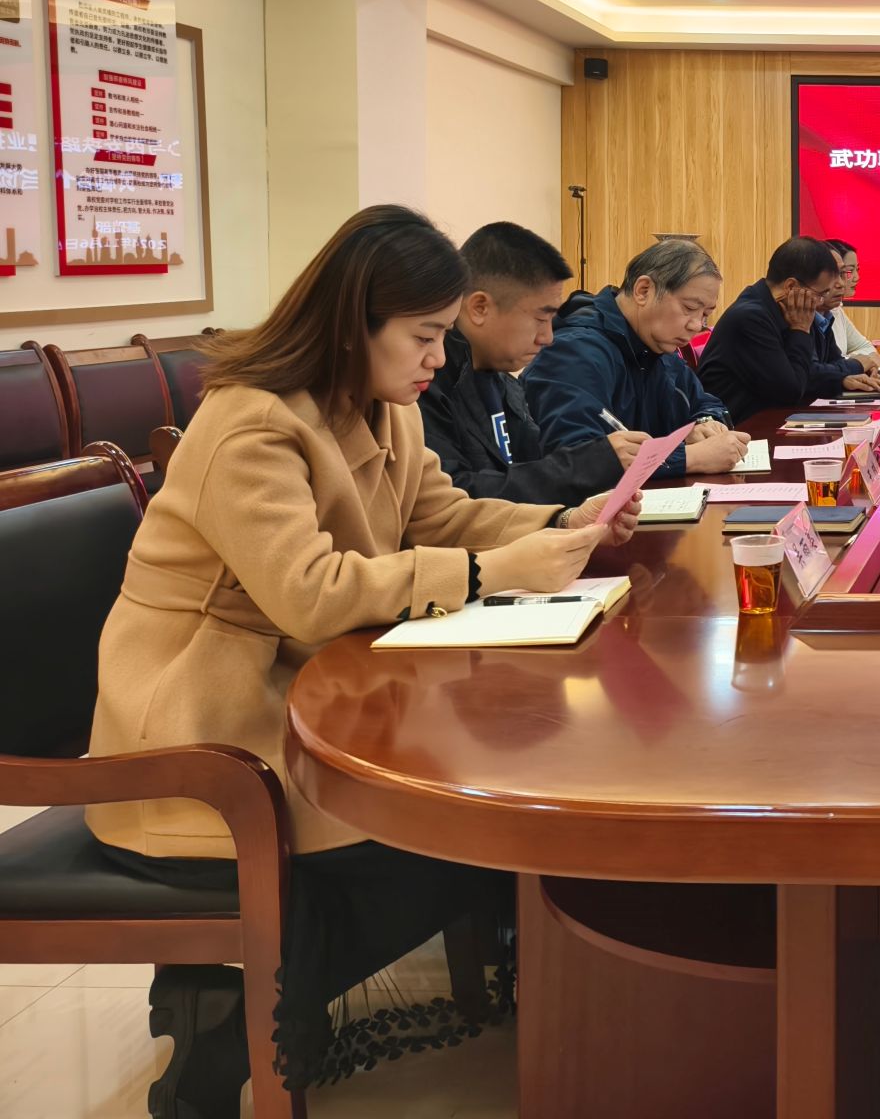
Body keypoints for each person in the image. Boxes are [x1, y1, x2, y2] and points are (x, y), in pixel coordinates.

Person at [85, 205, 642, 1117]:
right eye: (423, 336)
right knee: (453, 834)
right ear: (354, 324)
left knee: (482, 815)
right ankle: (231, 1027)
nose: (438, 358)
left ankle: (257, 1009)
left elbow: (442, 517)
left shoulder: (385, 407)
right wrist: (493, 572)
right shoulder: (251, 421)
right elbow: (307, 592)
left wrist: (561, 520)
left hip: (302, 680)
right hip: (201, 723)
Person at [420, 221, 650, 505]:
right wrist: (589, 464)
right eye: (540, 319)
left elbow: (531, 471)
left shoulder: (505, 383)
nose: (547, 337)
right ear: (480, 308)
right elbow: (455, 498)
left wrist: (571, 514)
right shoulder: (425, 384)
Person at [523, 237, 751, 476]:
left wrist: (705, 422)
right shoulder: (574, 352)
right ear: (644, 291)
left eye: (705, 314)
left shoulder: (658, 348)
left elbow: (704, 401)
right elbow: (577, 458)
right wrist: (690, 458)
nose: (696, 325)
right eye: (690, 308)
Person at [698, 236, 880, 422]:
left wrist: (843, 379)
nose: (821, 300)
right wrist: (800, 330)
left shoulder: (792, 307)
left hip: (773, 418)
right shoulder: (751, 317)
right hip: (740, 428)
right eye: (820, 293)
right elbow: (791, 389)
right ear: (791, 286)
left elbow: (824, 365)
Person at [823, 238, 880, 371]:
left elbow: (867, 348)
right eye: (849, 272)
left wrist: (852, 361)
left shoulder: (836, 310)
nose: (857, 277)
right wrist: (858, 362)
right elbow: (822, 368)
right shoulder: (807, 315)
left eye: (857, 270)